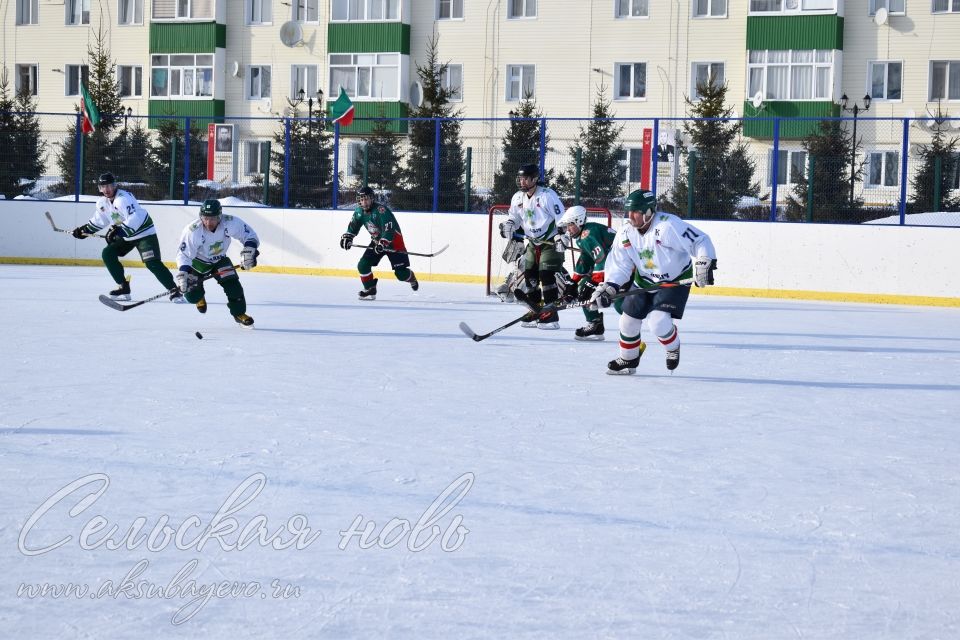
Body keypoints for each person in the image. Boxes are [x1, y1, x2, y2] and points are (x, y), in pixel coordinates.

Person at [589, 190, 717, 374]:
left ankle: (673, 347)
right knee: (627, 321)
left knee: (658, 323)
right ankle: (628, 360)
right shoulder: (626, 232)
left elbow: (700, 240)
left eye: (636, 212)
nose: (631, 217)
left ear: (649, 212)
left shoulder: (667, 226)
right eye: (629, 212)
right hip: (644, 280)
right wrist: (610, 285)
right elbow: (620, 263)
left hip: (674, 281)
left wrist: (704, 261)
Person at [71, 172, 180, 302]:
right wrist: (83, 231)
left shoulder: (123, 198)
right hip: (126, 236)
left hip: (144, 233)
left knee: (152, 263)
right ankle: (123, 287)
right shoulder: (102, 203)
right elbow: (99, 220)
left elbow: (135, 218)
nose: (106, 190)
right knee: (108, 253)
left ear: (115, 185)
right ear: (99, 189)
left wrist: (118, 231)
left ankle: (175, 291)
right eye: (103, 187)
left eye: (109, 186)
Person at [556, 205, 637, 343]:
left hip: (628, 267)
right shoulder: (583, 235)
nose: (568, 229)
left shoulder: (588, 235)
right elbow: (586, 260)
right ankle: (595, 324)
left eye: (570, 225)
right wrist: (573, 282)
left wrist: (593, 283)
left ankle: (636, 326)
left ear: (579, 221)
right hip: (617, 267)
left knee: (619, 303)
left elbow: (602, 259)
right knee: (583, 289)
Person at [499, 163, 566, 329]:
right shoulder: (517, 198)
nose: (522, 182)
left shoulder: (547, 196)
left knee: (546, 275)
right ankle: (535, 310)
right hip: (533, 242)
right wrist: (509, 225)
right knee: (530, 277)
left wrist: (561, 236)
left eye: (525, 178)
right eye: (520, 178)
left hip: (549, 242)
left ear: (534, 179)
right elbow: (514, 218)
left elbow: (562, 219)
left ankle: (551, 315)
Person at [175, 199, 260, 328]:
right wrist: (183, 274)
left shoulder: (230, 222)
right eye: (205, 218)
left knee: (234, 287)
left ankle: (239, 313)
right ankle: (199, 297)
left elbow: (250, 235)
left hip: (219, 261)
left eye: (213, 218)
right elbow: (184, 255)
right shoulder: (193, 231)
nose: (208, 222)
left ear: (220, 216)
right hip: (197, 264)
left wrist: (249, 251)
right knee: (191, 296)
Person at [339, 185, 418, 301]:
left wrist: (383, 243)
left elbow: (389, 230)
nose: (364, 202)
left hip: (394, 242)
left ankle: (412, 279)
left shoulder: (381, 210)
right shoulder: (359, 212)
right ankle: (370, 288)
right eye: (361, 200)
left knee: (401, 274)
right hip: (377, 242)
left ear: (372, 198)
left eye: (366, 199)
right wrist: (348, 236)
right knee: (363, 265)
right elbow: (353, 227)